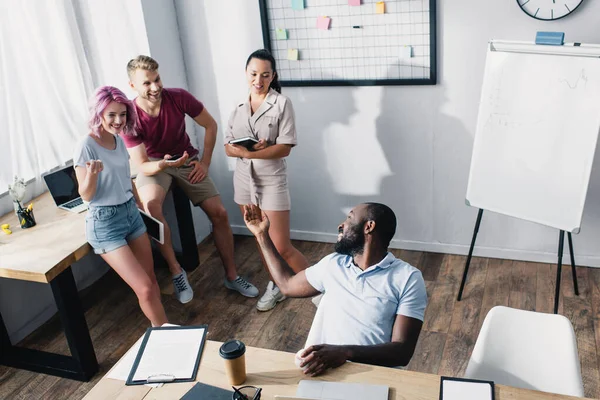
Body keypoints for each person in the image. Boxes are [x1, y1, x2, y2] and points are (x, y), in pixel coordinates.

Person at [123, 55, 258, 304]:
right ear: (132, 86)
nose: (155, 87)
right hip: (154, 165)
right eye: (146, 83)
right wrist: (163, 164)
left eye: (157, 79)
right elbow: (142, 164)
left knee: (220, 213)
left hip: (185, 160)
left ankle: (231, 275)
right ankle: (177, 271)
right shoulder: (129, 116)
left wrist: (204, 163)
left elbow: (211, 125)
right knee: (152, 209)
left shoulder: (178, 96)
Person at [243, 202, 427, 376]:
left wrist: (346, 352)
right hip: (320, 369)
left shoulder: (407, 278)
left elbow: (402, 351)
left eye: (349, 218)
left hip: (371, 376)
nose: (341, 225)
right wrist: (261, 235)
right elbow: (287, 284)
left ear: (368, 227)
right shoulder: (333, 264)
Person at [73, 86, 168, 327]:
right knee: (145, 289)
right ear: (99, 114)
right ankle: (168, 337)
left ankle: (163, 329)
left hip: (130, 213)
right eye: (112, 115)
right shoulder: (86, 145)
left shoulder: (117, 139)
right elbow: (85, 195)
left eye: (123, 114)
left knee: (151, 281)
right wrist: (92, 175)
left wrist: (139, 205)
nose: (118, 121)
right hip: (106, 223)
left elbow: (127, 178)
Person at [225, 49, 309, 312]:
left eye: (265, 75)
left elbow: (285, 148)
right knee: (261, 239)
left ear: (273, 76)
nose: (258, 80)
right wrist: (244, 150)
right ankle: (277, 284)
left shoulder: (282, 104)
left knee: (282, 247)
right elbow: (228, 147)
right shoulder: (238, 105)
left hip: (271, 179)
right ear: (246, 73)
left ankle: (324, 287)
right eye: (253, 74)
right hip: (243, 180)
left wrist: (256, 151)